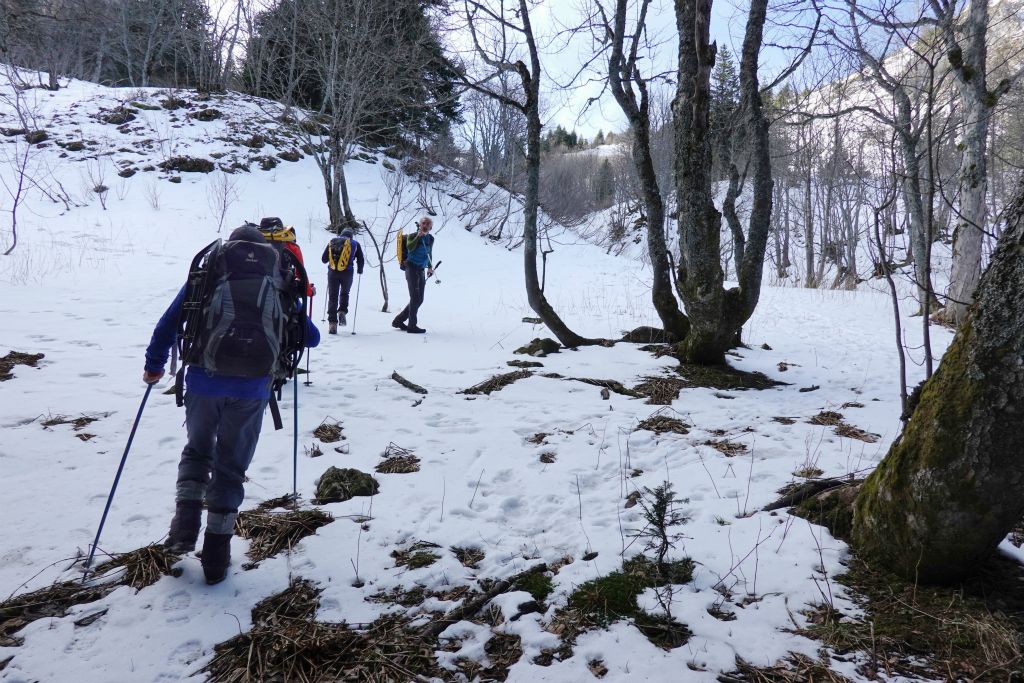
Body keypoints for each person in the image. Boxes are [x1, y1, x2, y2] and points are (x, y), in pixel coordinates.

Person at [142, 225, 320, 585]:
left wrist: (154, 366)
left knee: (197, 451)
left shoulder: (210, 273)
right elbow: (311, 337)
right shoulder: (278, 278)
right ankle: (216, 555)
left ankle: (184, 525)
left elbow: (169, 324)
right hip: (253, 389)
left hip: (204, 382)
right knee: (231, 466)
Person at [392, 216, 435, 334]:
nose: (425, 225)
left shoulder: (430, 239)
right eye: (423, 223)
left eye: (428, 224)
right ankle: (412, 326)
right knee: (415, 297)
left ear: (431, 227)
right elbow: (409, 247)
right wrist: (417, 237)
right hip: (411, 267)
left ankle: (398, 321)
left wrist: (430, 267)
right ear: (420, 225)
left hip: (421, 269)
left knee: (419, 299)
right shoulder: (412, 236)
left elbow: (429, 252)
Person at [321, 227, 365, 334]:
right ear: (351, 236)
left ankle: (332, 324)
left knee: (333, 297)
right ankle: (342, 311)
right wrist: (360, 270)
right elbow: (361, 259)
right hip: (347, 273)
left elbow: (324, 259)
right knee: (345, 293)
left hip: (332, 273)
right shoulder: (355, 244)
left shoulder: (332, 241)